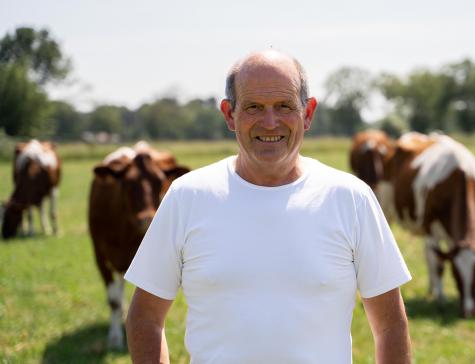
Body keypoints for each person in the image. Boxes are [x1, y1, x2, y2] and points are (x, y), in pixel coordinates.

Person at [124, 49, 412, 363]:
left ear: (308, 112)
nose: (270, 122)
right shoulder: (187, 196)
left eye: (284, 106)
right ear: (229, 114)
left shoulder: (351, 198)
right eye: (254, 107)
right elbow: (146, 318)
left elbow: (390, 326)